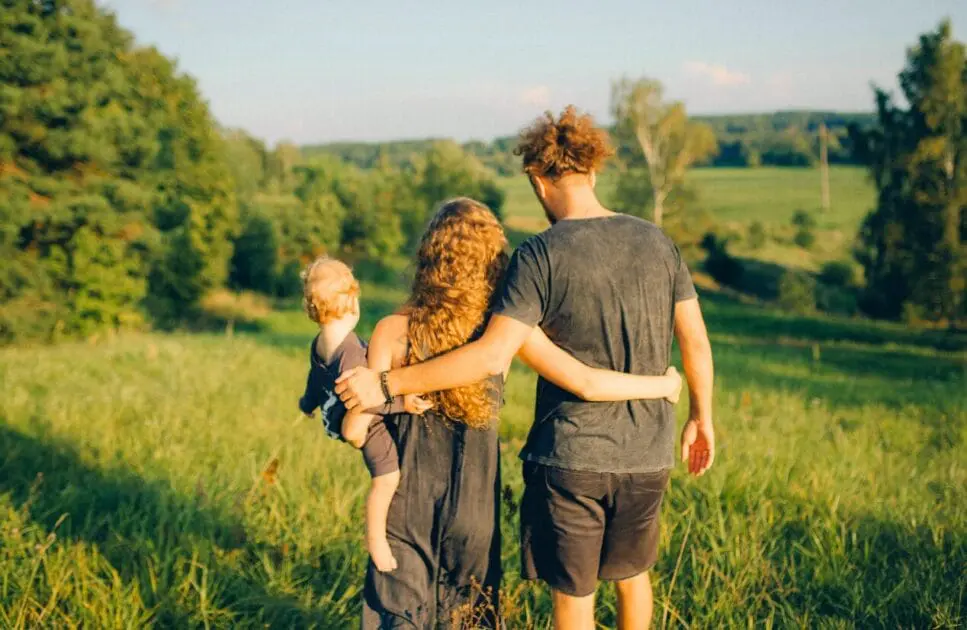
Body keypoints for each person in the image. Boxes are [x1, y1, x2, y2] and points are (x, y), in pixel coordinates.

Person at [336, 107, 715, 630]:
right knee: (634, 576)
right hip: (649, 451)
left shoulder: (540, 253)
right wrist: (699, 413)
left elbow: (494, 354)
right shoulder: (657, 241)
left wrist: (385, 383)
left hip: (572, 455)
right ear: (592, 170)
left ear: (538, 180)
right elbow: (695, 338)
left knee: (575, 594)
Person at [297, 257, 432, 573]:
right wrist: (403, 403)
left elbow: (315, 380)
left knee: (385, 477)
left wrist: (306, 404)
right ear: (351, 303)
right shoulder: (351, 353)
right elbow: (368, 400)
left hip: (337, 414)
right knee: (386, 480)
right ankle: (376, 540)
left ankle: (378, 538)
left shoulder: (320, 344)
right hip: (367, 426)